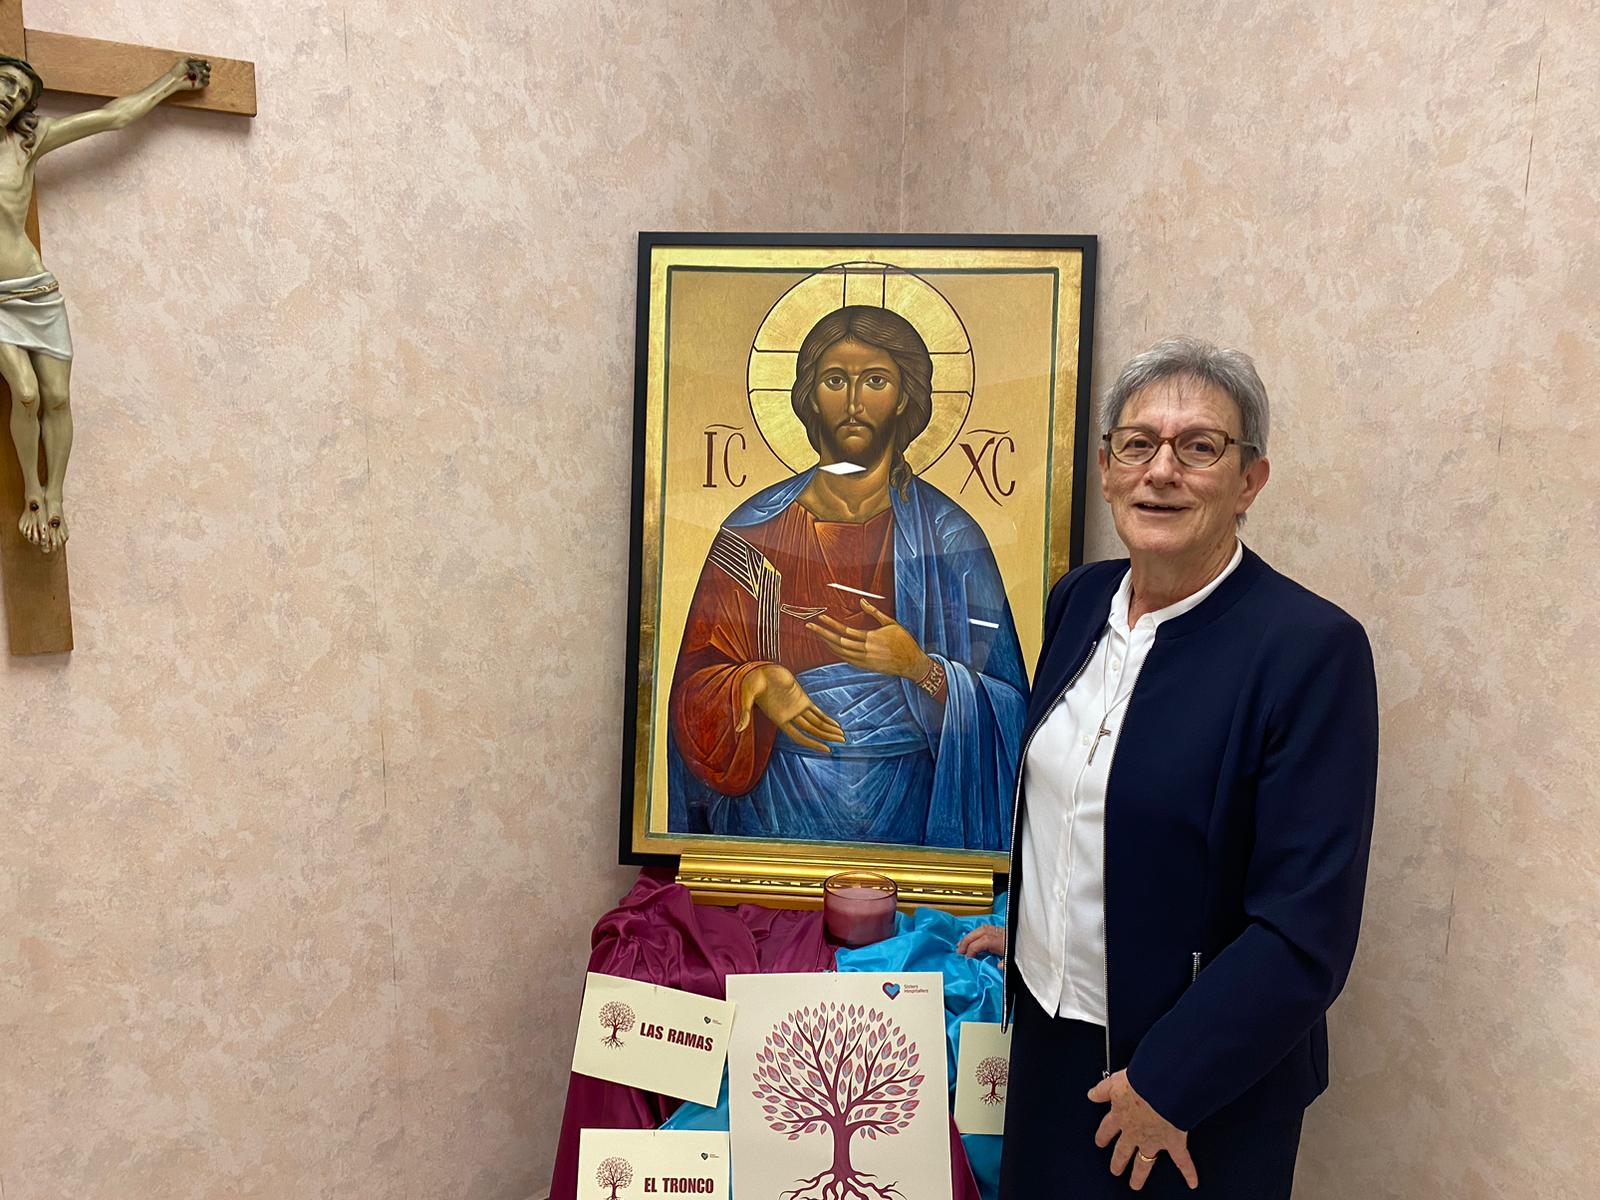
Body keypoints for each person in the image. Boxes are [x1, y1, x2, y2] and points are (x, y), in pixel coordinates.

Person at [958, 337, 1378, 1196]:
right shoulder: (1078, 600)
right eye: (1139, 444)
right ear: (1107, 469)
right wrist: (1039, 928)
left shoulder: (1310, 651)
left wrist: (1168, 1085)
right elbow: (1076, 800)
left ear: (1249, 481)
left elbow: (1305, 931)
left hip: (1190, 1086)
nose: (1162, 471)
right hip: (1049, 1042)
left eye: (1199, 447)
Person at [667, 305, 1027, 850]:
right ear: (810, 396)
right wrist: (757, 682)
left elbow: (1013, 712)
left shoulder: (951, 539)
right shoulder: (752, 534)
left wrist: (921, 669)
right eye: (835, 380)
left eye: (876, 381)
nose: (855, 402)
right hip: (775, 823)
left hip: (915, 822)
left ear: (904, 397)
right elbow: (692, 694)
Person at [0, 53, 210, 553]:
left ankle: (56, 495)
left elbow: (113, 117)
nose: (11, 96)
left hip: (36, 290)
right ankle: (32, 492)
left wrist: (171, 81)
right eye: (6, 82)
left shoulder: (28, 143)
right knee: (26, 393)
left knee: (57, 397)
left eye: (21, 94)